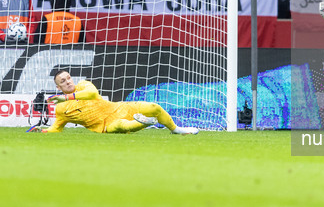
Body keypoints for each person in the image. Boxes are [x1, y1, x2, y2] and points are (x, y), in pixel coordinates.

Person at [30, 70, 199, 134]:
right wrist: (42, 131)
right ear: (58, 86)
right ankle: (146, 122)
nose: (68, 82)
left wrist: (67, 97)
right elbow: (56, 128)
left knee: (154, 107)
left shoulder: (83, 85)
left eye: (68, 78)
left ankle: (176, 129)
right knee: (121, 126)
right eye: (63, 81)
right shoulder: (61, 109)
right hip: (105, 125)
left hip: (118, 107)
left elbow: (92, 93)